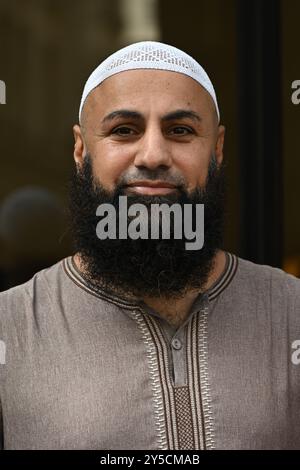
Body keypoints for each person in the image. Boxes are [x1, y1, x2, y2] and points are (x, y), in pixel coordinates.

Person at [0, 41, 299, 450]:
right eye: (124, 130)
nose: (154, 155)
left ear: (217, 150)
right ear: (81, 149)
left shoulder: (292, 313)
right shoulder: (10, 329)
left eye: (181, 131)